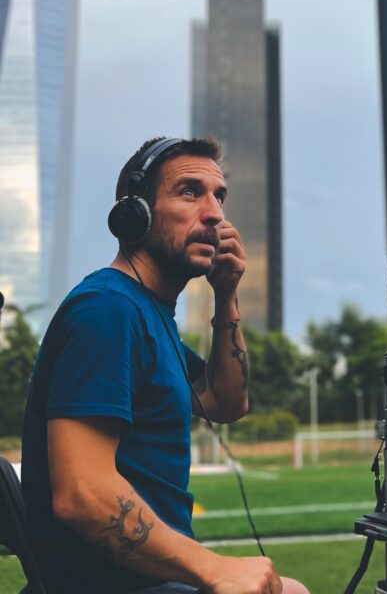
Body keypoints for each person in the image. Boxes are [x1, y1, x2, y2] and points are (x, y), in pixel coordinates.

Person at [21, 136, 309, 594]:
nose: (215, 213)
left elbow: (225, 402)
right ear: (134, 215)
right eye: (190, 191)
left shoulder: (149, 316)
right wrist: (214, 568)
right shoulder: (107, 310)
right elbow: (82, 493)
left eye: (220, 196)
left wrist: (226, 295)